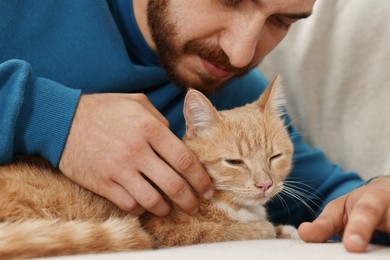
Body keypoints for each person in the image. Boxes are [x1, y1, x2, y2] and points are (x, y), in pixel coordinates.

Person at [0, 0, 388, 253]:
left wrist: (373, 197)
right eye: (230, 0)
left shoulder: (226, 87)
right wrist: (53, 116)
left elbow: (327, 197)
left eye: (281, 21)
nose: (242, 52)